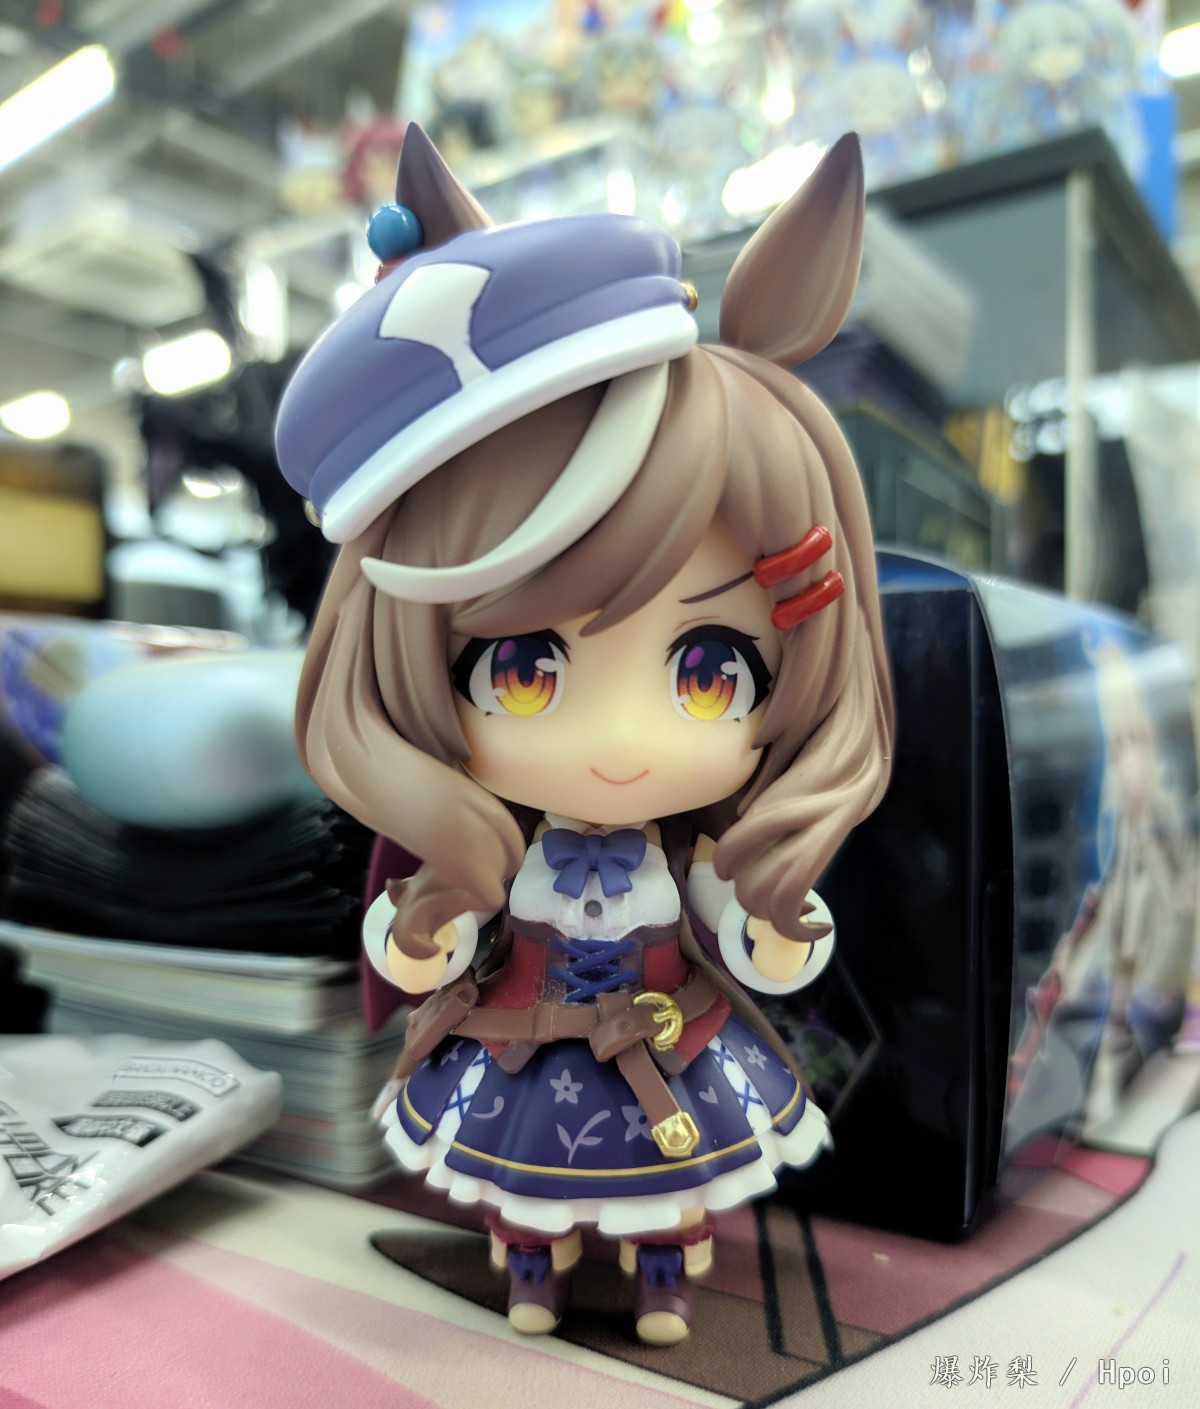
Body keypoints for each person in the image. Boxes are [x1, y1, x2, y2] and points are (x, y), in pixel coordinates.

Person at [275, 125, 893, 1345]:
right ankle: (533, 1267)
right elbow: (424, 945)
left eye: (709, 668)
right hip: (524, 1047)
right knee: (525, 1198)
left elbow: (753, 934)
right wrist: (421, 933)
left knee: (673, 1192)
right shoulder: (487, 851)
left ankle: (662, 1273)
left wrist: (773, 923)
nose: (619, 737)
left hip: (666, 1044)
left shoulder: (684, 853)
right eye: (523, 667)